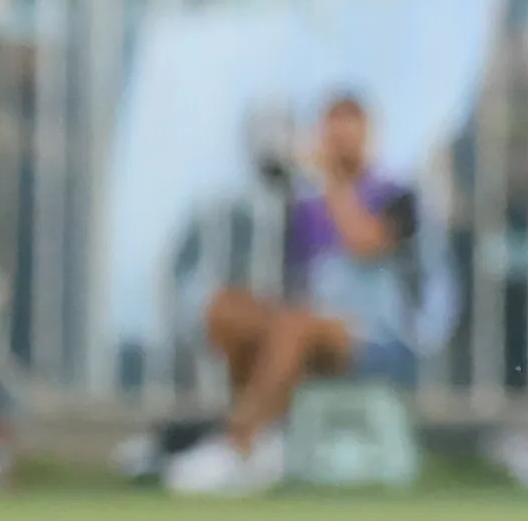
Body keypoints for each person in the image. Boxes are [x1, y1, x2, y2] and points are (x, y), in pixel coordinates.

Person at [169, 94, 428, 496]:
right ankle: (265, 440)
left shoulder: (398, 195)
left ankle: (238, 442)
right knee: (229, 309)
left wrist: (333, 180)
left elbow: (364, 243)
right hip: (305, 324)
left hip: (372, 336)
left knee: (295, 326)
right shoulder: (301, 204)